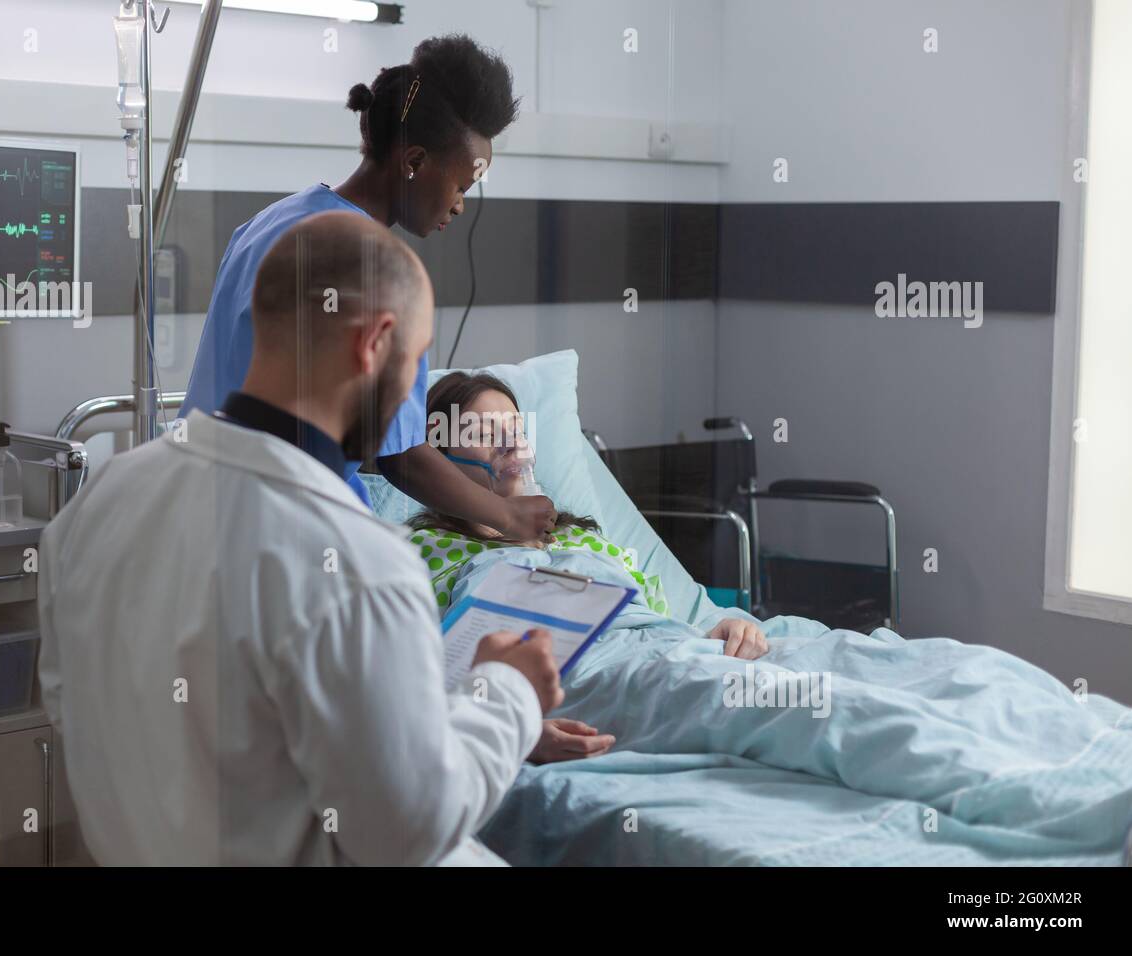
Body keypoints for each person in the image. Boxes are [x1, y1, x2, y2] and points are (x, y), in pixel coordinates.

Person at [38, 212, 563, 866]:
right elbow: (410, 830)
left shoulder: (98, 505)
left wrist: (447, 715)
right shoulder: (356, 560)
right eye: (418, 361)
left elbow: (77, 706)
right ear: (375, 343)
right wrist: (506, 695)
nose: (414, 398)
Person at [180, 34, 555, 545]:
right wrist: (509, 516)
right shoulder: (380, 273)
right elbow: (402, 457)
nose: (460, 206)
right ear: (415, 161)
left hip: (195, 502)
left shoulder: (266, 225)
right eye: (461, 187)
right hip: (294, 531)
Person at [407, 372, 770, 764]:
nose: (511, 444)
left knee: (834, 657)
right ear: (438, 462)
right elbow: (414, 677)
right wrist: (511, 724)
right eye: (484, 433)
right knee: (775, 703)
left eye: (516, 429)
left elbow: (659, 617)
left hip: (675, 650)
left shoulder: (580, 537)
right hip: (600, 679)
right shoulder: (425, 553)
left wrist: (724, 627)